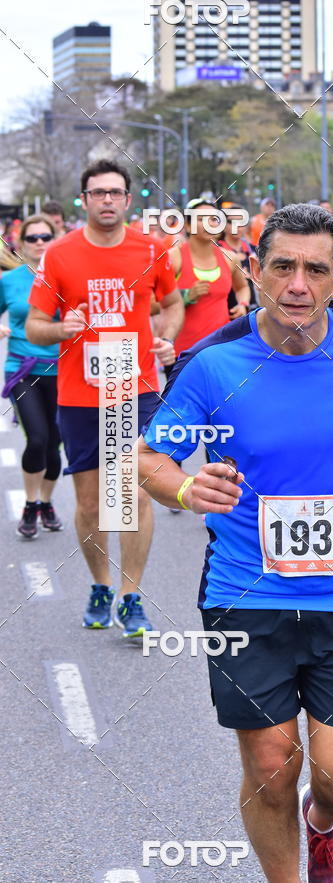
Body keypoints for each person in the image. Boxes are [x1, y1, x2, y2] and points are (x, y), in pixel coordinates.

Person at [138, 203, 333, 882]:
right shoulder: (213, 364)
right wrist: (186, 489)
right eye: (282, 266)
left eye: (316, 270)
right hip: (246, 593)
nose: (298, 285)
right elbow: (150, 460)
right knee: (272, 766)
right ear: (254, 270)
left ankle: (323, 821)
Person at [26, 158, 183, 637]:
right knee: (93, 504)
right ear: (85, 200)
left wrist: (166, 336)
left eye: (115, 192)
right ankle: (101, 585)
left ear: (128, 200)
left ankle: (131, 597)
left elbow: (173, 303)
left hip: (133, 387)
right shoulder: (60, 254)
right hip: (80, 393)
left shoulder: (151, 249)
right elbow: (34, 327)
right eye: (98, 192)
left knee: (132, 496)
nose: (107, 200)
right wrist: (61, 328)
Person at [0, 214, 63, 538]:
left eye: (45, 237)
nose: (39, 243)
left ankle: (46, 503)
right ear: (21, 244)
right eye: (32, 238)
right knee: (37, 438)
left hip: (64, 371)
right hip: (23, 369)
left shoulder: (68, 277)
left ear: (55, 240)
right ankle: (29, 503)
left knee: (54, 444)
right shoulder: (10, 280)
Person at [169, 200, 251, 357]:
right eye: (201, 219)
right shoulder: (174, 257)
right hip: (184, 352)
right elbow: (154, 302)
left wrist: (243, 304)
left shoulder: (230, 258)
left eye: (214, 219)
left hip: (222, 349)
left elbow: (242, 287)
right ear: (188, 226)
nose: (209, 224)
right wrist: (186, 296)